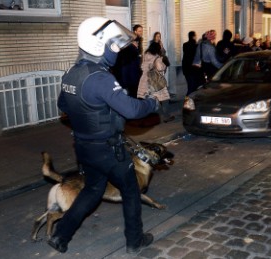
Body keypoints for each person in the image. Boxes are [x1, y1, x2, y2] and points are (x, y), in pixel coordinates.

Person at [48, 17, 159, 254]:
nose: (116, 50)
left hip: (84, 148)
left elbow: (63, 104)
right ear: (98, 45)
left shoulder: (72, 72)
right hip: (108, 150)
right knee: (131, 191)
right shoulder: (100, 77)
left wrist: (93, 110)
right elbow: (131, 109)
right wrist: (152, 103)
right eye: (113, 45)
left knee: (92, 190)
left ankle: (60, 235)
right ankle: (134, 240)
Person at [138, 42, 174, 123]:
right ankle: (166, 116)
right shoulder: (157, 58)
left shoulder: (145, 55)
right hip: (155, 81)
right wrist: (164, 64)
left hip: (144, 79)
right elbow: (160, 68)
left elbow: (142, 66)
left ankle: (144, 119)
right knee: (165, 100)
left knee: (146, 100)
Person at [112, 24, 144, 98]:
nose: (141, 32)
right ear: (135, 32)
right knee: (132, 89)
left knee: (134, 89)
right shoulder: (129, 42)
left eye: (142, 31)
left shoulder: (139, 41)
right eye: (139, 31)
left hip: (135, 69)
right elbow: (125, 58)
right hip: (130, 70)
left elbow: (138, 54)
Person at [182, 31, 200, 95]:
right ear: (193, 36)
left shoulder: (185, 45)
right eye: (195, 36)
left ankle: (188, 101)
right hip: (192, 69)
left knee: (190, 85)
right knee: (192, 87)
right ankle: (187, 102)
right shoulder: (195, 46)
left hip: (186, 68)